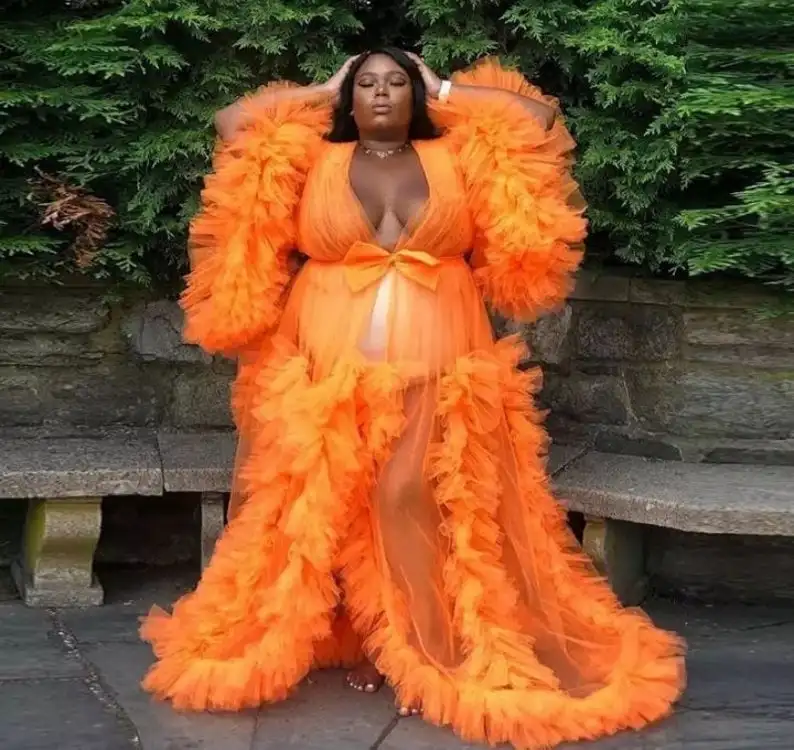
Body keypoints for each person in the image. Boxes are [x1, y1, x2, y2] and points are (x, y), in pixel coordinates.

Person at [140, 48, 685, 749]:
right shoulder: (318, 159)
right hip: (326, 361)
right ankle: (370, 639)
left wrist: (446, 86)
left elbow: (537, 120)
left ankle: (420, 641)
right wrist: (324, 87)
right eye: (366, 83)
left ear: (415, 94)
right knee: (331, 499)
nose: (381, 94)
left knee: (414, 492)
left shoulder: (451, 155)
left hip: (441, 357)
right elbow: (232, 122)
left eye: (396, 82)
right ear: (350, 98)